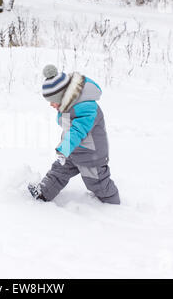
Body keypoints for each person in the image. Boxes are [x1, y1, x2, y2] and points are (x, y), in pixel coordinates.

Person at [28, 65, 120, 204]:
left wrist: (64, 147)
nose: (51, 105)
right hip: (73, 151)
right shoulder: (68, 104)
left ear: (62, 96)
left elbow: (78, 130)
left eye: (53, 101)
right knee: (58, 173)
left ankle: (112, 205)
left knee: (97, 183)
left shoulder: (87, 107)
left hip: (90, 155)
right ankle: (42, 193)